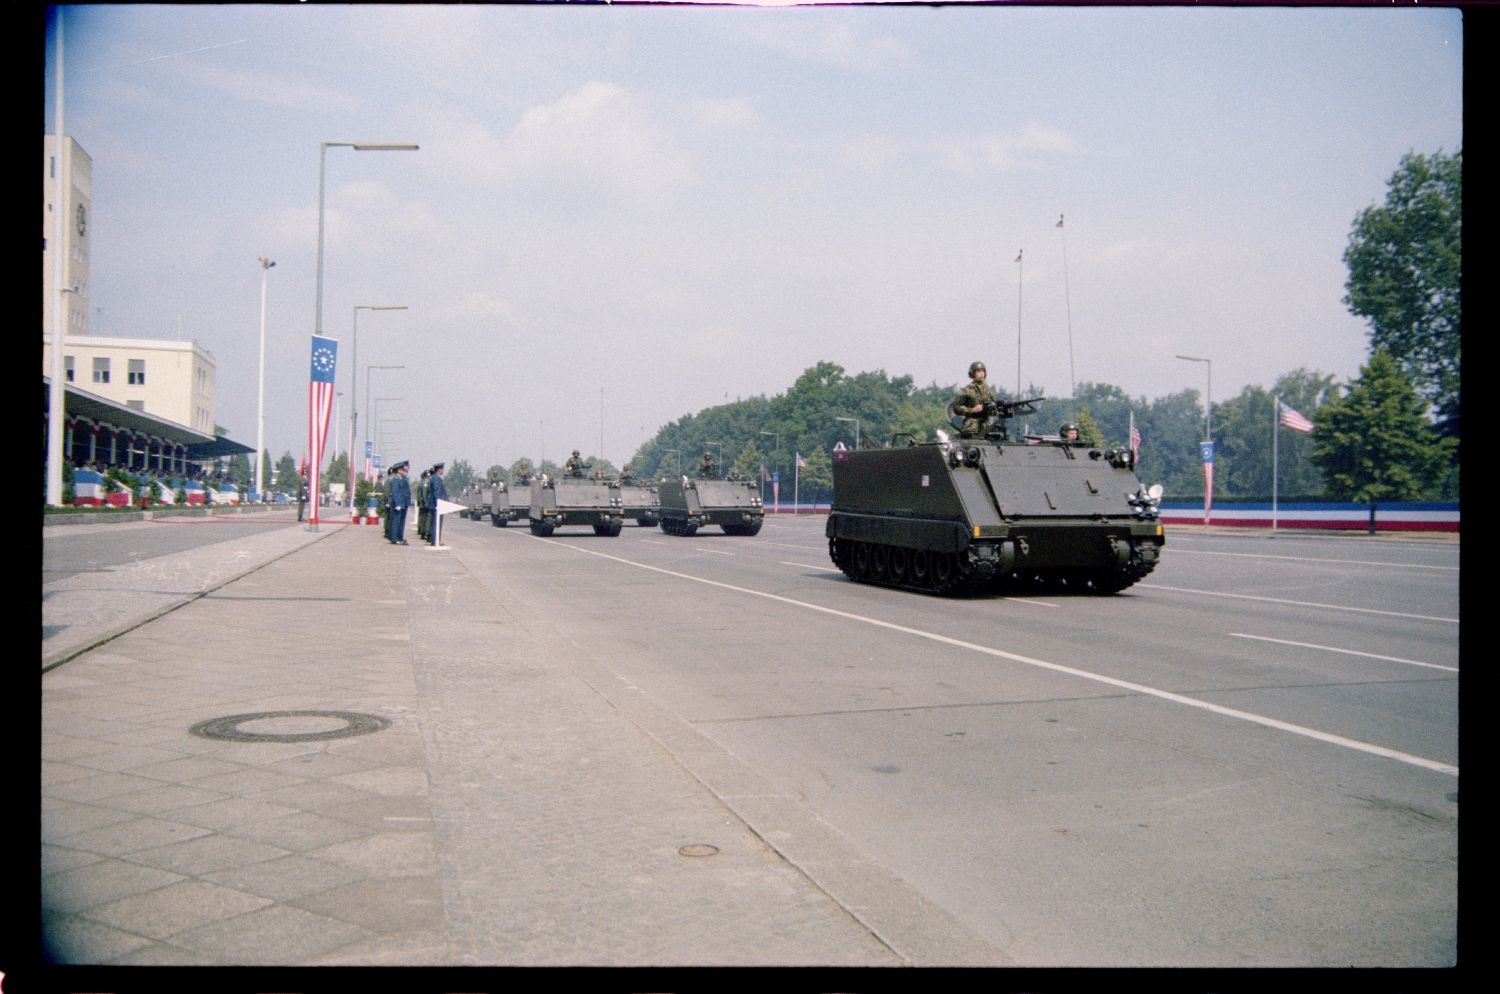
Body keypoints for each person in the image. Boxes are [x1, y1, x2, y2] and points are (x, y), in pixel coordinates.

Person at [953, 361, 998, 438]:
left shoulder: (989, 391)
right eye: (978, 371)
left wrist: (992, 409)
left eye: (983, 371)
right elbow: (956, 407)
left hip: (987, 427)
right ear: (973, 373)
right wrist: (972, 410)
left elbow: (994, 410)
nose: (981, 373)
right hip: (972, 428)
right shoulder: (966, 390)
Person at [387, 462, 412, 545]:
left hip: (403, 503)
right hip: (398, 504)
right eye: (401, 469)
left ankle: (400, 537)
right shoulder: (395, 480)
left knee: (401, 522)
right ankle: (395, 538)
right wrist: (397, 504)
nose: (403, 470)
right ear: (398, 470)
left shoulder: (401, 478)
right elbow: (395, 492)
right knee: (396, 521)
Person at [427, 463, 449, 545]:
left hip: (436, 504)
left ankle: (436, 540)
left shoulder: (436, 478)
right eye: (442, 469)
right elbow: (437, 493)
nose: (443, 471)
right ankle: (435, 541)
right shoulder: (436, 479)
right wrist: (439, 503)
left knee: (437, 523)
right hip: (437, 505)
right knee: (437, 523)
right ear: (439, 470)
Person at [416, 469, 432, 542]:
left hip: (423, 503)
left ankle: (422, 530)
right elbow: (425, 495)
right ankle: (424, 532)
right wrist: (426, 503)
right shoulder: (425, 483)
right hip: (425, 504)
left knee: (422, 518)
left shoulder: (421, 483)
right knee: (425, 518)